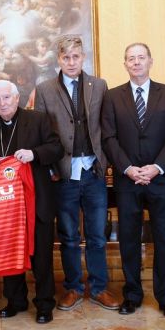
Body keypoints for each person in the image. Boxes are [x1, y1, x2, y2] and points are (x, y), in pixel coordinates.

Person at [101, 43, 165, 320]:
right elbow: (108, 138)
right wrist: (126, 168)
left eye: (141, 58)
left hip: (160, 179)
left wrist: (157, 167)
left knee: (163, 239)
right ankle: (132, 294)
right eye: (130, 59)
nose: (136, 63)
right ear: (124, 64)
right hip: (127, 181)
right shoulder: (113, 97)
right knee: (128, 239)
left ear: (151, 61)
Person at [33, 36, 117, 312]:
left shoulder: (99, 86)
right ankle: (72, 288)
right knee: (68, 236)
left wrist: (104, 164)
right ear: (58, 59)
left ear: (83, 58)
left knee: (96, 235)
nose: (71, 62)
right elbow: (42, 134)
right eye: (66, 57)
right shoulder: (45, 90)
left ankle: (99, 287)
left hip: (93, 172)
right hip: (64, 175)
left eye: (76, 57)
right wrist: (52, 171)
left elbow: (107, 128)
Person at [0, 80, 63, 324]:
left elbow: (56, 148)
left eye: (6, 98)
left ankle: (45, 304)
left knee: (41, 256)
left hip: (37, 201)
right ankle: (15, 300)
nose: (2, 103)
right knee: (9, 254)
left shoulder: (39, 120)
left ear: (17, 98)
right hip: (5, 207)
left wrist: (34, 154)